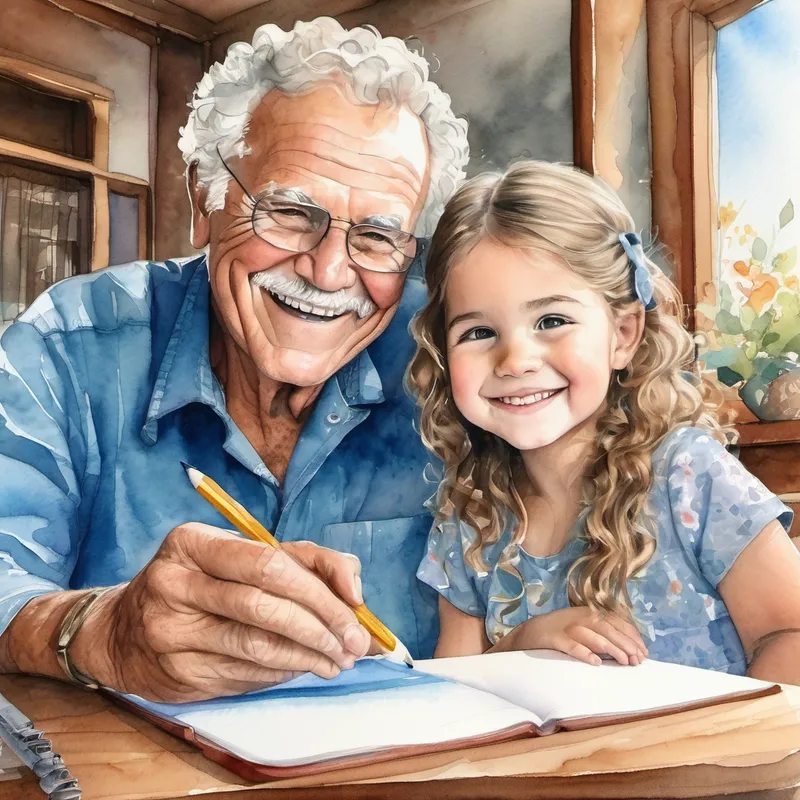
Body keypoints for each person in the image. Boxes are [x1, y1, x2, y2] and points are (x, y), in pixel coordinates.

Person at [0, 17, 469, 702]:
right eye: (288, 211)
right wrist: (100, 632)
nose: (329, 270)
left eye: (376, 236)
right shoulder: (72, 344)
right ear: (204, 200)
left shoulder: (452, 359)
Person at [408, 160, 800, 683]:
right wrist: (522, 646)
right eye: (478, 332)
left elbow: (790, 635)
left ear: (623, 333)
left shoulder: (688, 476)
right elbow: (451, 698)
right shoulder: (469, 515)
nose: (514, 360)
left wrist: (718, 759)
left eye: (551, 321)